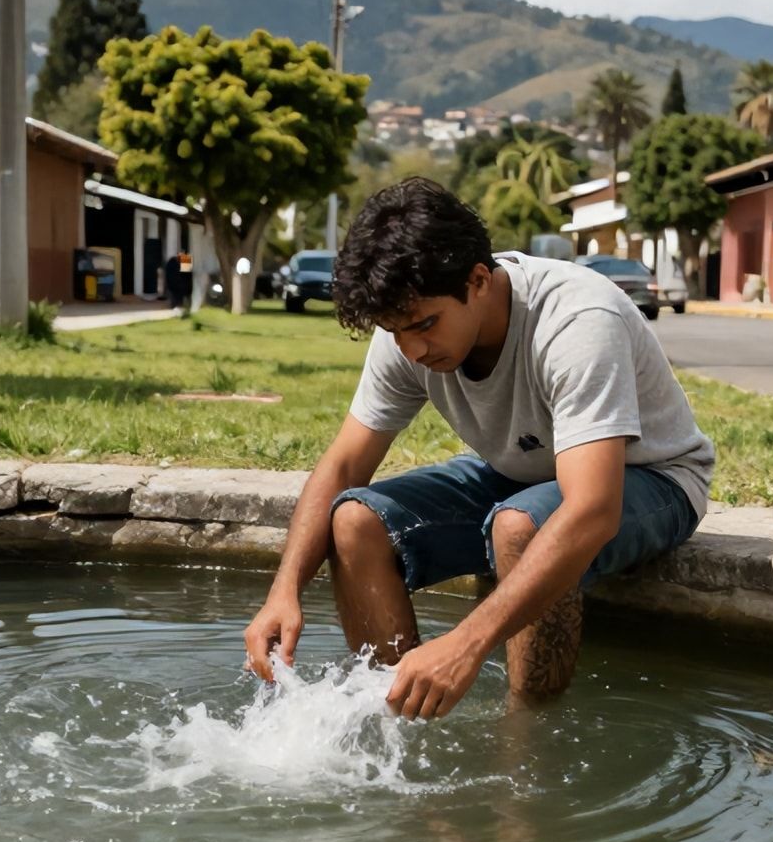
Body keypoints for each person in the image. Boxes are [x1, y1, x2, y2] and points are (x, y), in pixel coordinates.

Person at [242, 177, 713, 720]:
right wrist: (284, 591)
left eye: (425, 325)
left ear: (479, 280)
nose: (413, 349)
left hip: (651, 479)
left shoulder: (577, 322)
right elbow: (345, 464)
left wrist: (467, 643)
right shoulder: (408, 327)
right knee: (352, 521)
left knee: (522, 526)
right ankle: (403, 724)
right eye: (395, 331)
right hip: (522, 475)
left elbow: (591, 512)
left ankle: (526, 750)